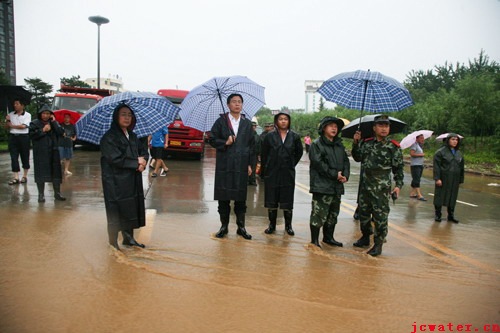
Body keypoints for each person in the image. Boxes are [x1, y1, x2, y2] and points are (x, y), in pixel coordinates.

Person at [351, 115, 404, 256]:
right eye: (380, 126)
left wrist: (398, 186)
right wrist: (356, 142)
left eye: (386, 126)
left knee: (380, 217)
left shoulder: (393, 147)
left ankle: (378, 244)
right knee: (363, 214)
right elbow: (357, 157)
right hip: (365, 186)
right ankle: (365, 237)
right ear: (374, 128)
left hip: (381, 189)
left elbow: (398, 169)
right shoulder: (367, 143)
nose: (384, 129)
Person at [100, 103, 149, 250]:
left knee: (131, 207)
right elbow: (114, 158)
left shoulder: (133, 136)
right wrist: (136, 162)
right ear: (116, 117)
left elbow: (143, 151)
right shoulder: (109, 137)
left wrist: (143, 162)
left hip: (131, 179)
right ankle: (113, 242)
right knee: (115, 210)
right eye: (123, 114)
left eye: (129, 115)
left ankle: (129, 238)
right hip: (115, 181)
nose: (127, 118)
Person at [209, 93, 255, 240]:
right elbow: (211, 139)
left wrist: (250, 164)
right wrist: (225, 142)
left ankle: (241, 227)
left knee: (240, 198)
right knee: (224, 197)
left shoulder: (247, 124)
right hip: (225, 165)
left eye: (239, 102)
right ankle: (224, 227)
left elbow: (252, 146)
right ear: (228, 105)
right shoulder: (221, 122)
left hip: (241, 165)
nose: (237, 104)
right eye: (234, 102)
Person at [308, 117, 349, 247]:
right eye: (330, 126)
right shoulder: (317, 144)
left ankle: (328, 237)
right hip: (322, 186)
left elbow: (346, 162)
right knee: (318, 214)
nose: (334, 128)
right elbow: (318, 164)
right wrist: (334, 174)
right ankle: (314, 241)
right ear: (324, 128)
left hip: (336, 186)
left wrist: (345, 175)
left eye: (336, 126)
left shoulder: (339, 145)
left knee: (333, 214)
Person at [261, 111, 303, 235]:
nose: (283, 121)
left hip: (287, 173)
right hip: (272, 173)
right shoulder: (269, 136)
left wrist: (291, 164)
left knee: (287, 199)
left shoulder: (294, 136)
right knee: (271, 199)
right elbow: (264, 154)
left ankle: (288, 226)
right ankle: (272, 225)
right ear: (276, 121)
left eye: (286, 119)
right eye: (281, 119)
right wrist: (265, 170)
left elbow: (299, 153)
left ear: (289, 121)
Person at [29, 104, 66, 203]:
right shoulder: (34, 123)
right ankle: (41, 194)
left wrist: (54, 122)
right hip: (40, 152)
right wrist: (42, 130)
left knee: (56, 172)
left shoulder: (54, 123)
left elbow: (61, 133)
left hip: (53, 151)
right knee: (41, 173)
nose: (45, 115)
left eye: (48, 113)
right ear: (40, 114)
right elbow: (32, 136)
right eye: (44, 113)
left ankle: (57, 193)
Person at [433, 133, 464, 223]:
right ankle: (438, 214)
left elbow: (461, 167)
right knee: (440, 196)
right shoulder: (440, 152)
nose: (455, 141)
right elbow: (436, 166)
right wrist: (437, 178)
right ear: (448, 140)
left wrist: (460, 179)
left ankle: (451, 215)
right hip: (444, 178)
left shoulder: (459, 153)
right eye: (453, 139)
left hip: (455, 179)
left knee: (453, 196)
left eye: (456, 140)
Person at [6, 98, 31, 185]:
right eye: (14, 104)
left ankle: (24, 176)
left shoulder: (27, 115)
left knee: (25, 156)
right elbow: (7, 127)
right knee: (14, 157)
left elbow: (23, 126)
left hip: (23, 138)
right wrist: (8, 120)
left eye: (17, 104)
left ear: (22, 105)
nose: (15, 105)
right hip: (13, 137)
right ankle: (16, 177)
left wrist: (12, 125)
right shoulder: (11, 114)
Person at [409, 134, 426, 201]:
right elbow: (412, 154)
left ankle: (412, 193)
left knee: (417, 178)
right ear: (417, 139)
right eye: (421, 138)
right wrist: (421, 154)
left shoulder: (419, 146)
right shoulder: (414, 145)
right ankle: (419, 195)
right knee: (416, 179)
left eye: (423, 138)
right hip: (415, 165)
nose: (422, 139)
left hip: (420, 164)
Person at [248, 121, 261, 186]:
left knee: (253, 167)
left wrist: (259, 154)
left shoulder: (257, 136)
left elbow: (259, 145)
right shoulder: (246, 135)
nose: (253, 127)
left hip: (254, 154)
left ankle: (252, 180)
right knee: (247, 167)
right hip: (247, 154)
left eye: (254, 126)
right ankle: (247, 180)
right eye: (252, 126)